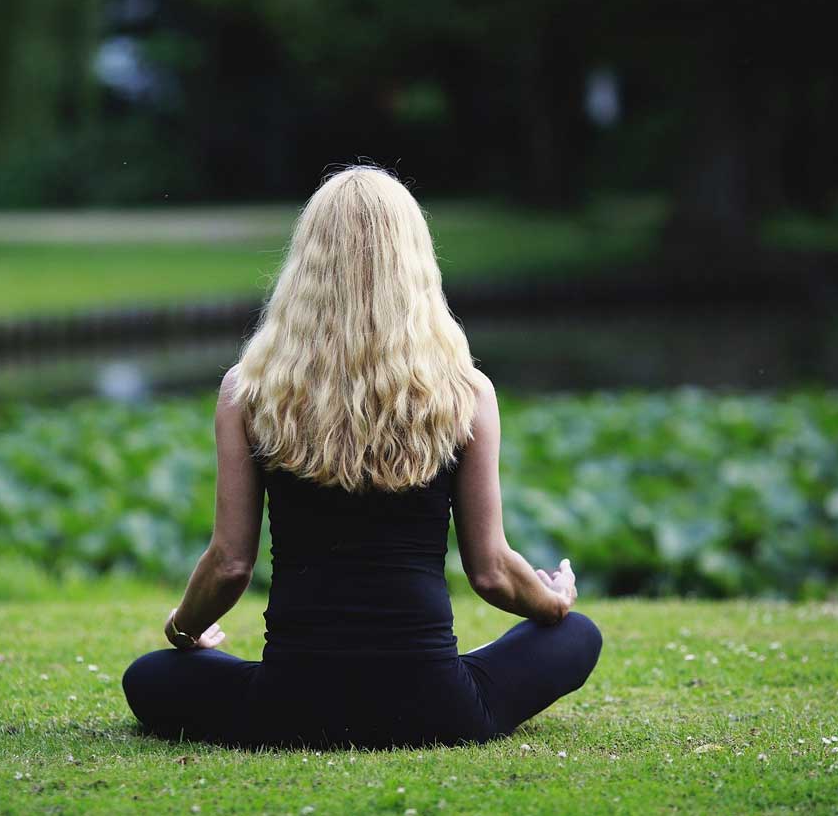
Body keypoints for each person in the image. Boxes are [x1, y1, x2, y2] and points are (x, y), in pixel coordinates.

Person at [122, 165, 602, 749]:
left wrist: (182, 630)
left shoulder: (248, 391)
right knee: (576, 634)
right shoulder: (465, 392)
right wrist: (550, 602)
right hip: (438, 707)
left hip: (290, 707)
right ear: (415, 263)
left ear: (306, 265)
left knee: (147, 676)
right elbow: (492, 571)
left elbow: (229, 564)